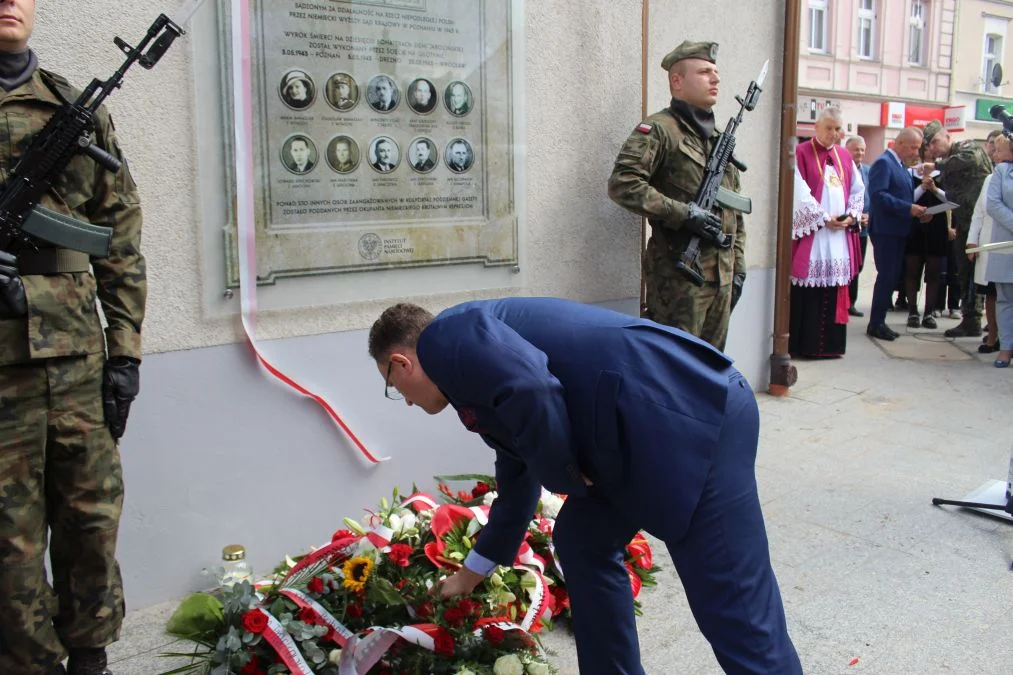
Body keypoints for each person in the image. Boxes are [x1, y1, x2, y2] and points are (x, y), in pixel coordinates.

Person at [369, 297, 802, 675]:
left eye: (394, 387)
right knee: (582, 539)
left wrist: (564, 476)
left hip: (690, 416)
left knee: (734, 607)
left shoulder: (449, 337)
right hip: (630, 435)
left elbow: (533, 386)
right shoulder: (465, 370)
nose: (405, 399)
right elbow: (517, 472)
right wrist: (471, 573)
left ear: (401, 363)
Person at [0, 2, 147, 673]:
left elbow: (116, 237)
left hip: (78, 359)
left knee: (92, 522)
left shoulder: (74, 109)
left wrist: (124, 352)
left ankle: (91, 656)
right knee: (11, 541)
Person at [608, 41, 748, 351]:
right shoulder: (658, 130)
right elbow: (623, 184)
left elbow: (733, 209)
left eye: (716, 72)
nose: (715, 79)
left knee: (711, 369)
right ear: (677, 81)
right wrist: (685, 213)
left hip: (721, 279)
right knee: (671, 369)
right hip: (679, 280)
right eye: (704, 72)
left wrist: (738, 266)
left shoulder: (718, 138)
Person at [790, 107, 864, 358]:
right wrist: (822, 218)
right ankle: (807, 346)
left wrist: (851, 215)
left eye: (837, 128)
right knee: (809, 295)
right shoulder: (801, 152)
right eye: (829, 128)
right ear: (816, 128)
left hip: (838, 236)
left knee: (833, 292)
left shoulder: (844, 156)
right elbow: (797, 191)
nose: (834, 133)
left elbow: (857, 189)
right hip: (815, 236)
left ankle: (831, 347)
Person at [922, 121, 994, 339]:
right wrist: (934, 209)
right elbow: (954, 198)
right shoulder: (947, 164)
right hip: (964, 223)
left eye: (936, 141)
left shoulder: (966, 147)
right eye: (930, 145)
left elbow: (971, 159)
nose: (934, 147)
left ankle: (986, 321)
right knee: (965, 272)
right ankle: (970, 319)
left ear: (947, 136)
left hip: (981, 224)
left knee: (979, 274)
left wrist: (938, 166)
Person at [867, 127, 927, 341]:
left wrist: (916, 211)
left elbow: (903, 194)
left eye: (918, 148)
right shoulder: (884, 163)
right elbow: (878, 196)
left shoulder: (900, 166)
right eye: (913, 147)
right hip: (886, 230)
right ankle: (876, 323)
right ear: (899, 143)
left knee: (892, 277)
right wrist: (908, 208)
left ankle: (880, 321)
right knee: (887, 277)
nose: (915, 152)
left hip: (898, 229)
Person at [901, 157, 953, 330]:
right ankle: (913, 311)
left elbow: (951, 201)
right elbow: (906, 199)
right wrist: (922, 187)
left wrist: (934, 189)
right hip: (914, 226)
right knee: (912, 271)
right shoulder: (910, 173)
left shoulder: (945, 175)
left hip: (937, 227)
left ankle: (929, 312)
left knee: (934, 273)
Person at [967, 129, 1004, 353]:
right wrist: (972, 242)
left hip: (1005, 244)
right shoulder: (990, 178)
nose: (994, 153)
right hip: (988, 244)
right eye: (994, 149)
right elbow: (979, 212)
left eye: (999, 149)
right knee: (990, 294)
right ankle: (993, 337)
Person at [984, 134, 1013, 367]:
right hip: (1005, 242)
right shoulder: (1001, 172)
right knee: (1005, 299)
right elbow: (993, 204)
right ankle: (1005, 348)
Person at [845, 136, 871, 317]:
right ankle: (843, 301)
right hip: (846, 226)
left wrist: (869, 215)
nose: (860, 153)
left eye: (862, 150)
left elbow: (873, 197)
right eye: (856, 149)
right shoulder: (842, 169)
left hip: (863, 229)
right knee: (846, 265)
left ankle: (851, 302)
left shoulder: (868, 171)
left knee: (858, 266)